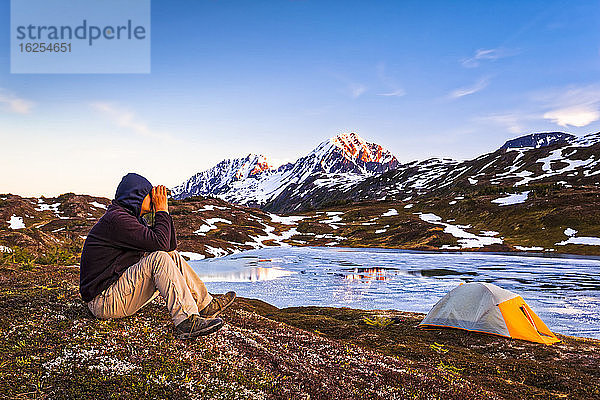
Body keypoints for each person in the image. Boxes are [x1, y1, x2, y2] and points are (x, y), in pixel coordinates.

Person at [79, 172, 236, 339]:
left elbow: (168, 246)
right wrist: (161, 210)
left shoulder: (131, 218)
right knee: (158, 259)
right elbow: (160, 245)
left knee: (170, 255)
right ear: (136, 196)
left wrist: (163, 212)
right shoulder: (117, 220)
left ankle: (205, 305)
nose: (154, 199)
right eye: (149, 195)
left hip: (114, 294)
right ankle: (186, 320)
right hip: (104, 302)